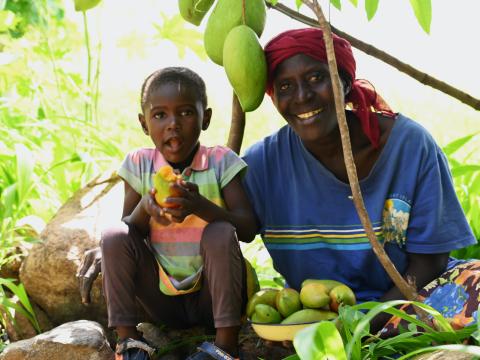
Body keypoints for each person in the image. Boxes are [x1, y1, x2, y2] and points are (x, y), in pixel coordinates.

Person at [241, 28, 479, 335]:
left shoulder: (408, 146)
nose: (302, 96)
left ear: (345, 81)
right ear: (274, 97)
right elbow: (222, 232)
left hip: (407, 301)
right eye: (285, 86)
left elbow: (430, 262)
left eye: (317, 78)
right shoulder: (262, 164)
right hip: (315, 317)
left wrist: (361, 325)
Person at [78, 66, 256, 360]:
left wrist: (202, 207)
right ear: (144, 124)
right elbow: (129, 231)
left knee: (221, 231)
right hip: (161, 299)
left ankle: (225, 346)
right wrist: (144, 210)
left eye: (185, 112)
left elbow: (248, 229)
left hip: (212, 297)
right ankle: (129, 342)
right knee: (113, 235)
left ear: (206, 118)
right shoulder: (139, 164)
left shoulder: (221, 161)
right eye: (160, 115)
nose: (173, 124)